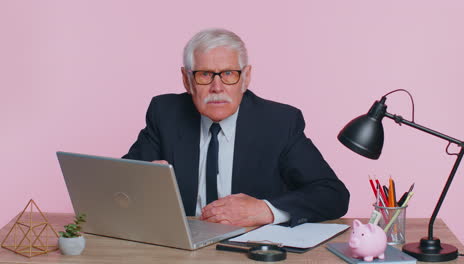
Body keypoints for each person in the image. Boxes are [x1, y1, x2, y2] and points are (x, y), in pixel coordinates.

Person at [123, 28, 350, 227]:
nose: (217, 87)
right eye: (204, 75)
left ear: (246, 77)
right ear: (186, 80)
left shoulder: (280, 122)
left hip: (250, 247)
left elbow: (333, 195)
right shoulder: (165, 114)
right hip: (180, 246)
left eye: (229, 74)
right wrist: (143, 181)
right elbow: (119, 183)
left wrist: (265, 210)